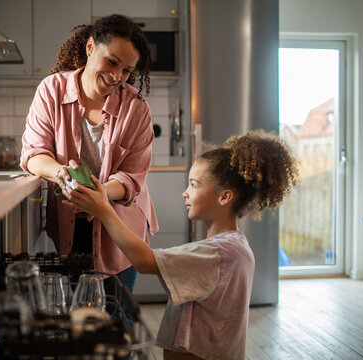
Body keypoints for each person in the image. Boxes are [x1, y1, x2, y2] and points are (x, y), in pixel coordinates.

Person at [60, 130, 299, 360]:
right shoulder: (232, 246)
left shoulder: (220, 253)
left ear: (224, 197)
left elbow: (145, 261)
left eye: (194, 185)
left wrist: (104, 211)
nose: (185, 193)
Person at [20, 14, 158, 297]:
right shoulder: (51, 90)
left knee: (118, 315)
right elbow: (34, 154)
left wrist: (99, 195)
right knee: (81, 311)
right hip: (71, 221)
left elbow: (133, 178)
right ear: (90, 47)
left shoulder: (136, 108)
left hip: (120, 223)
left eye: (127, 70)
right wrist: (61, 174)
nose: (117, 77)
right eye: (112, 61)